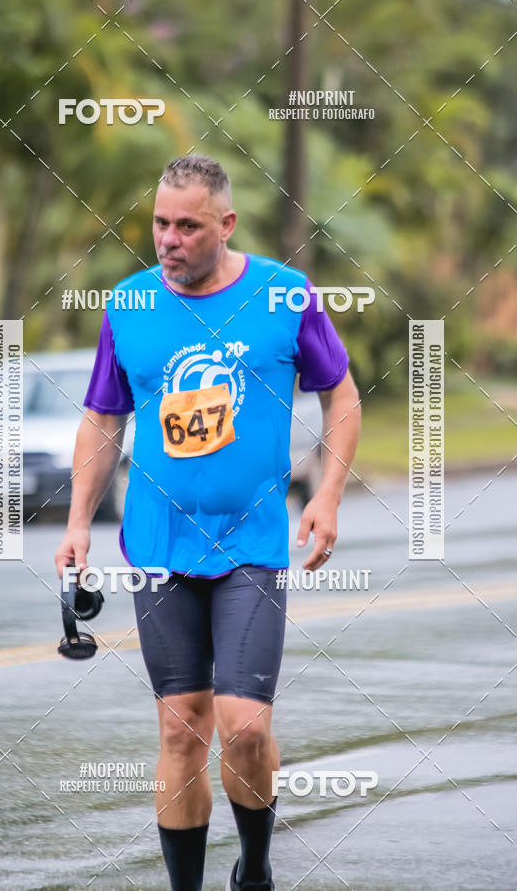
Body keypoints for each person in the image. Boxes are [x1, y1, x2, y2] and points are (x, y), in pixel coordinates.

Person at [55, 154, 361, 890]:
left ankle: (254, 870)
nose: (169, 239)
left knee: (245, 726)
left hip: (250, 540)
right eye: (160, 223)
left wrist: (327, 494)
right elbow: (103, 419)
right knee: (180, 724)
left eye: (187, 226)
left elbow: (342, 394)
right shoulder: (129, 305)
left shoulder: (285, 296)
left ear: (226, 225)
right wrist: (77, 523)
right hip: (159, 544)